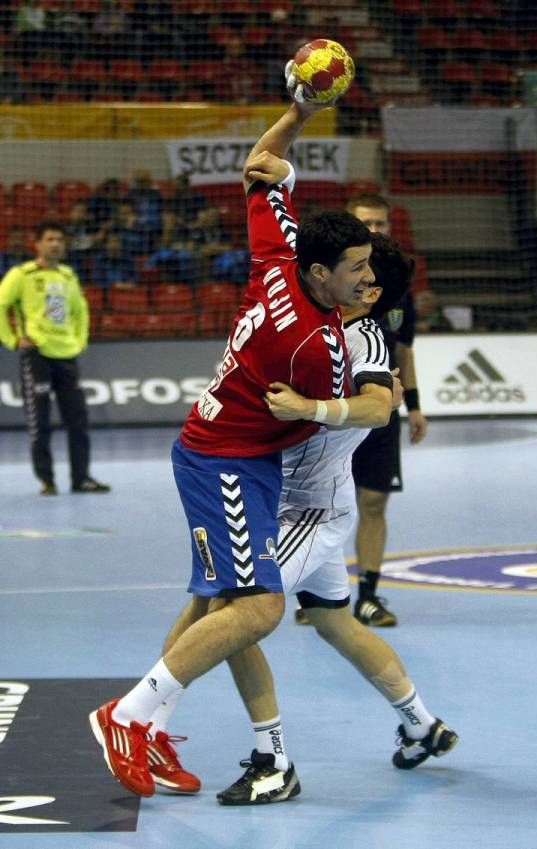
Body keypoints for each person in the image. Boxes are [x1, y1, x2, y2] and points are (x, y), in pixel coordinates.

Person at [88, 96, 376, 799]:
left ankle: (152, 727)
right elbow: (355, 410)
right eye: (355, 271)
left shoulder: (279, 258)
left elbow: (258, 166)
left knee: (209, 603)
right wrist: (331, 404)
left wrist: (301, 110)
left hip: (212, 448)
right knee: (260, 608)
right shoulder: (319, 345)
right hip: (229, 466)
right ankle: (124, 714)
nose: (364, 281)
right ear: (319, 275)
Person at [137, 232, 458, 804]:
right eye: (348, 264)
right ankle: (421, 723)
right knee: (337, 624)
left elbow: (379, 406)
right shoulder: (322, 319)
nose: (350, 273)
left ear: (372, 289)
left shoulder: (364, 340)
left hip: (304, 509)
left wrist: (309, 408)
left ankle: (266, 758)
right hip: (289, 496)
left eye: (362, 268)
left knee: (236, 610)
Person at [343, 193, 429, 628]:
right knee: (321, 503)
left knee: (373, 501)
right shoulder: (335, 284)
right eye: (366, 224)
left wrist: (414, 406)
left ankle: (369, 597)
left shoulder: (397, 286)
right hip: (336, 410)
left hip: (382, 409)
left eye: (380, 223)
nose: (374, 231)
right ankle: (313, 594)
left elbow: (406, 351)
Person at [0, 220, 110, 496]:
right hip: (37, 355)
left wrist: (79, 341)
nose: (56, 244)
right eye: (49, 239)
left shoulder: (68, 276)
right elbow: (1, 306)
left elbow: (80, 310)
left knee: (78, 420)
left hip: (66, 355)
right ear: (37, 244)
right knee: (41, 421)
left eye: (60, 239)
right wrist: (13, 340)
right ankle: (47, 480)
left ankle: (81, 478)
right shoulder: (22, 274)